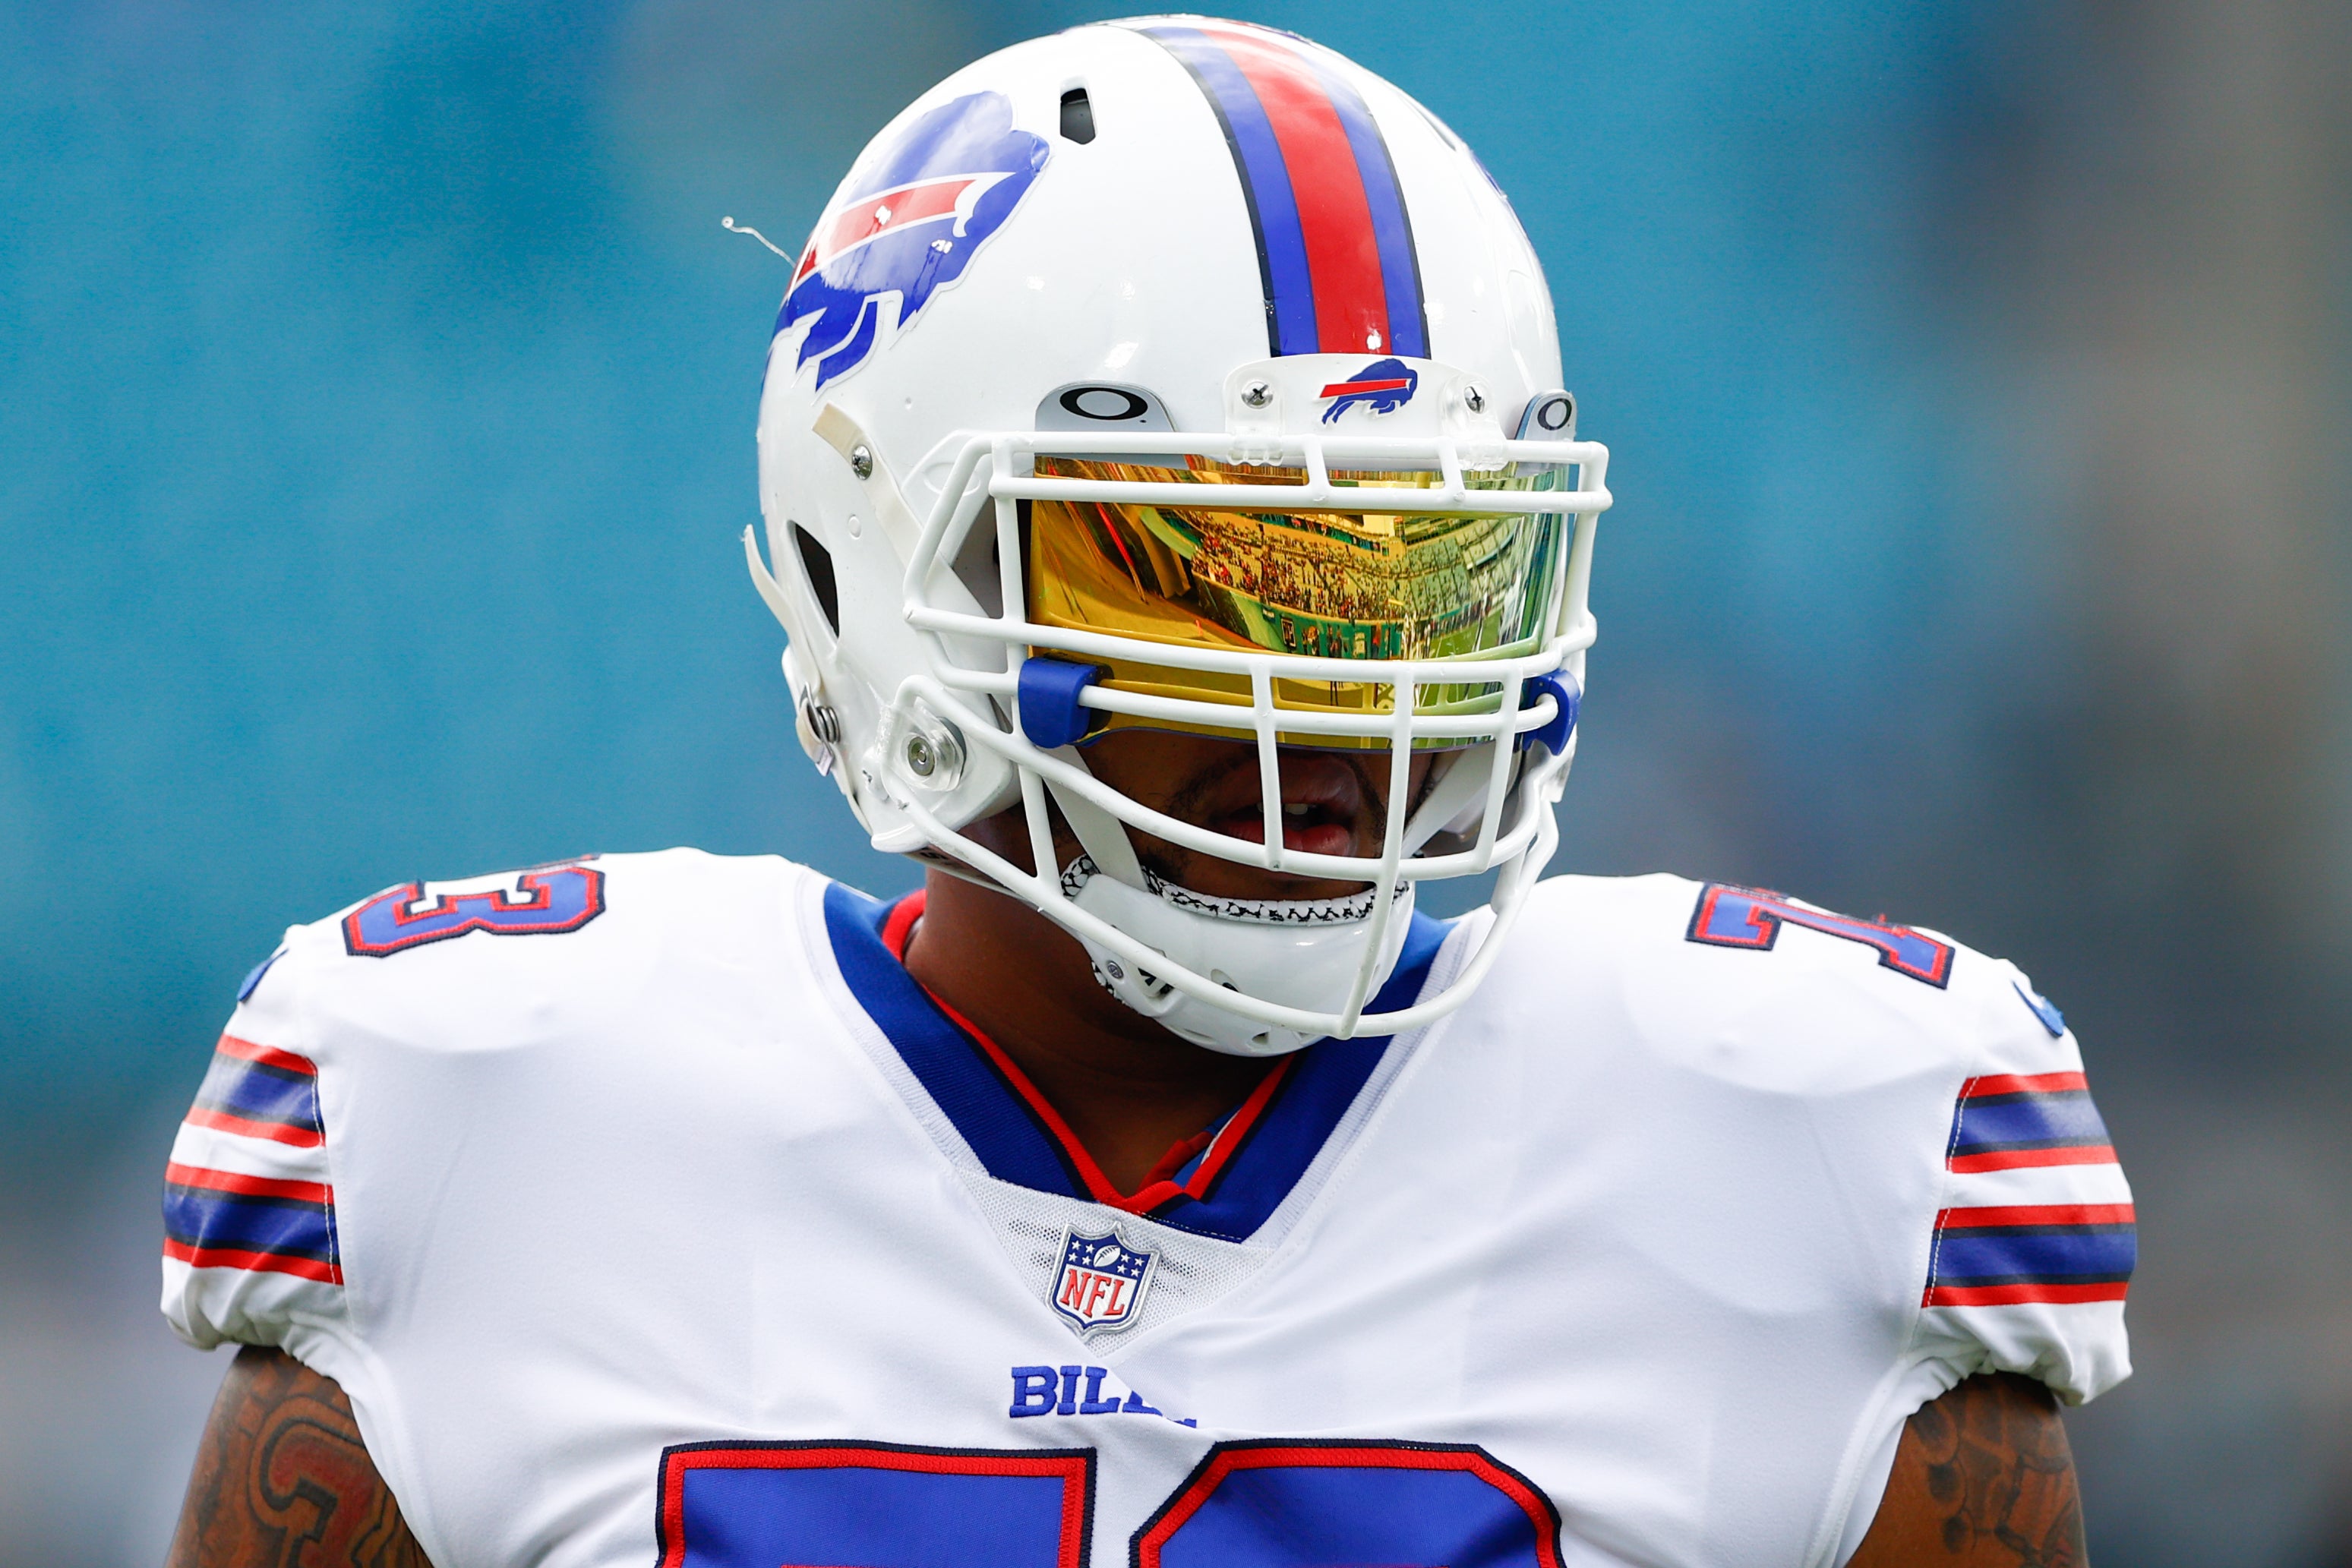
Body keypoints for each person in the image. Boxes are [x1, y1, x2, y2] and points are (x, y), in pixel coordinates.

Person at [162, 17, 2132, 1567]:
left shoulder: (1814, 1148)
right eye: (1194, 580)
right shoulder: (489, 1121)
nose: (1339, 717)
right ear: (882, 569)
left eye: (1419, 588)